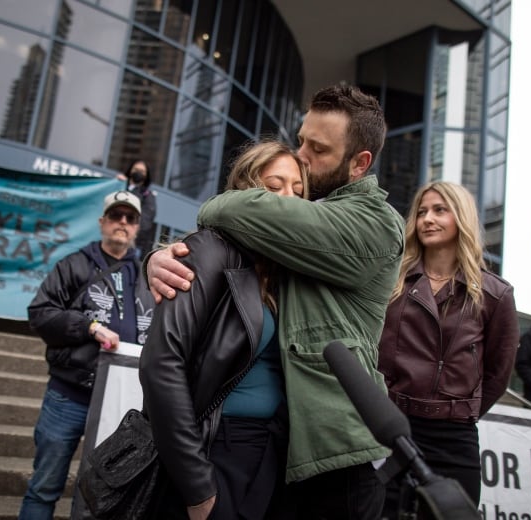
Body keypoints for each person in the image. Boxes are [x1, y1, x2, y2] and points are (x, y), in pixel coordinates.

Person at [146, 83, 405, 518]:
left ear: (360, 163)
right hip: (275, 452)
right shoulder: (283, 249)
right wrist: (157, 259)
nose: (302, 155)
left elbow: (243, 213)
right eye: (301, 139)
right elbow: (165, 357)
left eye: (317, 150)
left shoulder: (373, 222)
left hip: (338, 456)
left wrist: (219, 208)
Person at [140, 140, 307, 520]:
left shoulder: (289, 269)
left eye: (298, 191)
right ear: (246, 190)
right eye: (274, 185)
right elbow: (161, 365)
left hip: (266, 451)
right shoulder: (211, 250)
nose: (288, 198)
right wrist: (198, 486)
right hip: (213, 447)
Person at [377, 181, 520, 515]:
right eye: (422, 211)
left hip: (454, 439)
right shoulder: (389, 280)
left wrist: (458, 408)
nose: (428, 219)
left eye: (440, 210)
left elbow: (498, 375)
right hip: (390, 430)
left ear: (461, 218)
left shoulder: (495, 294)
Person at [18, 190, 154, 520]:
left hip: (120, 402)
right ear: (102, 222)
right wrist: (89, 327)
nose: (122, 223)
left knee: (105, 494)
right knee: (45, 486)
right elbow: (40, 312)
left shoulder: (145, 275)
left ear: (137, 226)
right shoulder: (74, 264)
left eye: (130, 218)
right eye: (116, 216)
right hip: (69, 396)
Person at [122, 159, 158, 259]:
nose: (138, 173)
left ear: (146, 175)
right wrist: (118, 182)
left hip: (133, 245)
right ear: (130, 170)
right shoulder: (120, 185)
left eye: (142, 171)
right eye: (136, 169)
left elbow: (146, 221)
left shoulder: (147, 196)